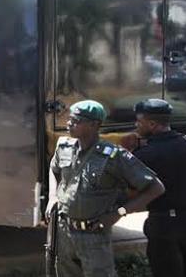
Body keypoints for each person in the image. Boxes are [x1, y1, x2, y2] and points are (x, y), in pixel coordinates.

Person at [47, 100, 165, 277]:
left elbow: (156, 188)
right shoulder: (65, 147)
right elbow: (53, 169)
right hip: (64, 232)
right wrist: (52, 196)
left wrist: (119, 212)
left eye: (76, 120)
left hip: (94, 235)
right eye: (69, 119)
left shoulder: (113, 156)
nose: (69, 123)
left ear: (94, 125)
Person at [131, 99, 186, 277]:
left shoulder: (143, 155)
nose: (136, 126)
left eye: (139, 122)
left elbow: (130, 190)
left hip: (162, 223)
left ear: (152, 124)